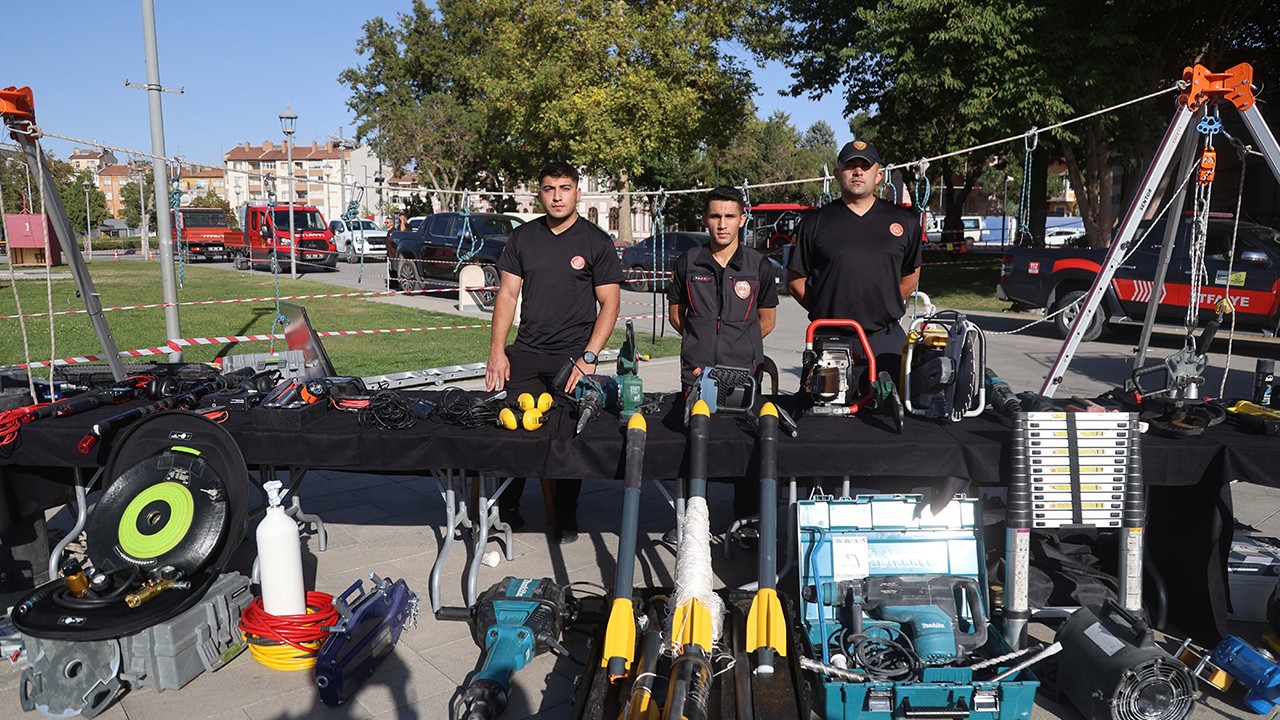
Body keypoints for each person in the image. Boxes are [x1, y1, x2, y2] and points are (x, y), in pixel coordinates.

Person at [486, 160, 624, 544]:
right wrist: (497, 351)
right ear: (540, 194)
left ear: (578, 192)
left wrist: (589, 357)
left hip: (572, 359)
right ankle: (507, 510)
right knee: (515, 430)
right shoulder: (522, 238)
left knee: (566, 438)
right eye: (549, 189)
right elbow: (507, 295)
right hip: (527, 353)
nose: (557, 197)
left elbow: (610, 304)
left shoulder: (596, 242)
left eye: (565, 188)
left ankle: (565, 514)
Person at [667, 185, 778, 525]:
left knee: (744, 445)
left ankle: (746, 519)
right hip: (697, 373)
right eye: (715, 216)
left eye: (730, 216)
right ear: (704, 219)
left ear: (742, 219)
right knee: (695, 442)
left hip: (743, 372)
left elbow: (767, 320)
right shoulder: (688, 262)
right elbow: (677, 315)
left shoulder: (759, 265)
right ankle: (692, 520)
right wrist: (702, 340)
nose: (722, 224)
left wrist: (737, 343)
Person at [787, 140, 922, 374]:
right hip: (831, 338)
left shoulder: (905, 222)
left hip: (885, 338)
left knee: (892, 396)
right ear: (837, 173)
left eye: (865, 166)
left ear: (878, 176)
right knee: (824, 398)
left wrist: (881, 305)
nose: (858, 171)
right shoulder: (813, 223)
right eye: (850, 165)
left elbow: (911, 277)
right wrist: (825, 308)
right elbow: (795, 281)